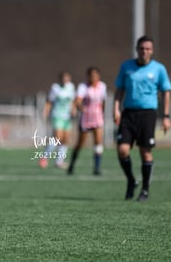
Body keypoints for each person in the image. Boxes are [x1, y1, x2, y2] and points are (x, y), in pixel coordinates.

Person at [114, 35, 171, 201]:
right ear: (136, 49)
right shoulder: (126, 66)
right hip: (128, 113)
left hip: (148, 113)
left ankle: (145, 190)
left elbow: (166, 91)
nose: (144, 51)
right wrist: (116, 109)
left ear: (152, 51)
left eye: (147, 49)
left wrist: (166, 116)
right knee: (122, 150)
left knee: (145, 152)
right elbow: (119, 89)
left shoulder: (158, 69)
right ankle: (132, 180)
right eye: (141, 48)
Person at [67, 67, 107, 175]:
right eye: (91, 75)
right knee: (80, 143)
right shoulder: (83, 86)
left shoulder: (102, 86)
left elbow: (103, 102)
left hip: (97, 116)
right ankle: (72, 165)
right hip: (86, 117)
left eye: (95, 75)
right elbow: (78, 101)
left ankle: (97, 168)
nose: (93, 77)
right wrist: (81, 108)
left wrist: (102, 113)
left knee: (98, 141)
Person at [39, 71, 76, 169]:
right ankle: (44, 157)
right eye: (64, 78)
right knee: (57, 138)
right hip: (57, 115)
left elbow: (72, 101)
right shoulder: (55, 88)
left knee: (65, 139)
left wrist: (73, 110)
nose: (65, 80)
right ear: (60, 79)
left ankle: (59, 161)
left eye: (67, 78)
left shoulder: (71, 87)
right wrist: (46, 111)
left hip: (67, 117)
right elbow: (49, 101)